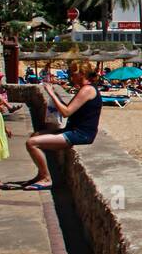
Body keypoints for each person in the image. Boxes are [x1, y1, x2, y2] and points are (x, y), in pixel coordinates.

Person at [17, 61, 102, 191]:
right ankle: (40, 174)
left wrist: (51, 93)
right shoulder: (86, 89)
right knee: (36, 135)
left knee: (31, 143)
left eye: (73, 73)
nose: (70, 77)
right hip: (74, 130)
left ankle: (46, 178)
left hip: (80, 135)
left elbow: (66, 112)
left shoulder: (87, 90)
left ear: (81, 74)